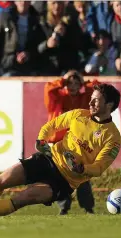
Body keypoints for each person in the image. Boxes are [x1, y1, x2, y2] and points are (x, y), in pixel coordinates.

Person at [0, 83, 121, 219]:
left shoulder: (113, 137)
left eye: (96, 100)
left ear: (109, 105)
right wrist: (41, 139)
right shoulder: (79, 115)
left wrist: (82, 168)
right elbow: (52, 126)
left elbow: (99, 167)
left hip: (64, 181)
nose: (90, 103)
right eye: (91, 99)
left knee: (22, 198)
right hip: (47, 160)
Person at [44, 70, 97, 215]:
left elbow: (98, 89)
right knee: (61, 176)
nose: (73, 86)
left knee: (82, 175)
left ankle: (88, 208)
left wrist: (85, 81)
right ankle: (64, 207)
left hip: (78, 144)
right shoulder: (57, 98)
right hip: (59, 145)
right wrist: (63, 79)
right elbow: (49, 89)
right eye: (70, 83)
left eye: (76, 83)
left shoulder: (85, 98)